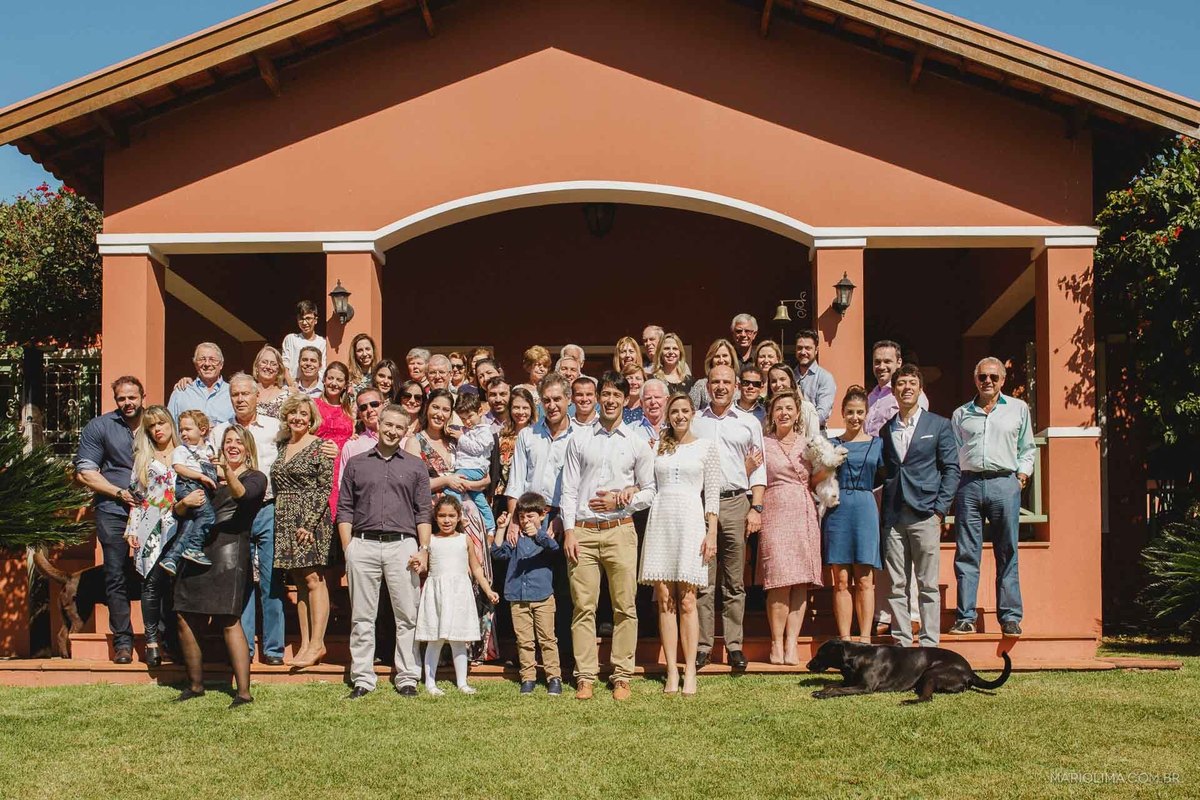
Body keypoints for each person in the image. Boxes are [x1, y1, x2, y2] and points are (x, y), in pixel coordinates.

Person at [561, 371, 656, 701]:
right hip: (584, 534)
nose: (611, 400)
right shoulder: (579, 439)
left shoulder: (637, 442)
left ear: (626, 400)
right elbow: (569, 489)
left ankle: (621, 675)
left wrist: (623, 498)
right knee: (583, 607)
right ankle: (585, 675)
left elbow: (650, 490)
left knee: (624, 606)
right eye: (607, 394)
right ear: (599, 397)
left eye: (618, 394)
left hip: (620, 531)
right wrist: (569, 531)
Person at [339, 404, 431, 698]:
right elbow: (344, 510)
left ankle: (407, 676)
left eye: (399, 427)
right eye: (388, 425)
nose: (392, 431)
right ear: (377, 424)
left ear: (406, 432)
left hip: (402, 546)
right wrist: (348, 549)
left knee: (407, 616)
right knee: (362, 617)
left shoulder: (415, 466)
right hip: (362, 545)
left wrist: (424, 549)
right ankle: (363, 678)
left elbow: (424, 512)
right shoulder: (356, 463)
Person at [172, 423, 267, 708]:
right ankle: (195, 685)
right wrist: (183, 503)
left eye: (239, 441)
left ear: (248, 448)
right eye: (228, 441)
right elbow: (180, 512)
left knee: (229, 619)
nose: (233, 445)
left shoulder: (256, 477)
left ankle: (244, 692)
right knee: (184, 614)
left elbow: (242, 496)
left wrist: (226, 471)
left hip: (230, 551)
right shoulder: (206, 477)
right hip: (197, 550)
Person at [405, 389, 497, 662]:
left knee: (472, 578)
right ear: (427, 408)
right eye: (435, 407)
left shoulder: (457, 439)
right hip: (435, 520)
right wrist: (446, 481)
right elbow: (413, 484)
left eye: (446, 409)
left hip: (469, 518)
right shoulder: (415, 442)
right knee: (440, 583)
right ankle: (438, 649)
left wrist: (472, 484)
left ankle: (473, 648)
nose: (440, 414)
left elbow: (485, 477)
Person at [639, 393, 720, 695]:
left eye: (685, 411)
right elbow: (647, 485)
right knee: (665, 598)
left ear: (692, 414)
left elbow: (711, 493)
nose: (680, 416)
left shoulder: (706, 447)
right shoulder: (657, 446)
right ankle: (671, 669)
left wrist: (711, 533)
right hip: (661, 521)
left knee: (687, 599)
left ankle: (690, 670)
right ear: (668, 415)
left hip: (691, 522)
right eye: (675, 411)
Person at [949, 357, 1036, 638]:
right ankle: (965, 617)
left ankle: (1010, 617)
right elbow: (954, 452)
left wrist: (1020, 478)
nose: (988, 381)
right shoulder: (961, 414)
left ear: (1003, 380)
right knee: (966, 553)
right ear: (975, 379)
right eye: (983, 377)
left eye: (994, 377)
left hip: (1004, 483)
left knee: (1007, 551)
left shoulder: (1018, 409)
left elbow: (1028, 447)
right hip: (969, 485)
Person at [689, 365, 765, 670]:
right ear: (708, 386)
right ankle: (703, 646)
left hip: (735, 503)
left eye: (726, 382)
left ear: (735, 387)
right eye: (715, 382)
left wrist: (756, 508)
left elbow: (759, 468)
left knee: (734, 581)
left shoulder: (748, 423)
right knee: (704, 580)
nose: (721, 387)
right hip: (701, 505)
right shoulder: (695, 421)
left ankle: (734, 646)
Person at [880, 364, 960, 648]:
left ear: (920, 388)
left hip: (926, 513)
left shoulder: (938, 425)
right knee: (896, 584)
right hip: (894, 516)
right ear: (894, 390)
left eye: (912, 382)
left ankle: (929, 644)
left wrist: (940, 509)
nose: (906, 388)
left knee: (927, 584)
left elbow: (951, 470)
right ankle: (901, 642)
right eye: (901, 383)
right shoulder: (886, 429)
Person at [210, 374, 286, 666]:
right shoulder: (220, 432)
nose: (240, 399)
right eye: (235, 395)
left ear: (257, 397)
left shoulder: (274, 428)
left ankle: (274, 650)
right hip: (234, 511)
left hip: (267, 508)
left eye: (245, 394)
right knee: (240, 581)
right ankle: (246, 650)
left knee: (270, 581)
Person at [74, 376, 145, 663]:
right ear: (116, 400)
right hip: (113, 509)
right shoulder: (100, 426)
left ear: (143, 396)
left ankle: (158, 638)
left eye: (132, 397)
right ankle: (123, 644)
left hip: (152, 509)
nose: (127, 403)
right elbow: (86, 471)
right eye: (121, 399)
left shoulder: (156, 423)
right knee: (114, 575)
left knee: (155, 574)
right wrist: (119, 493)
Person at [756, 391, 824, 664]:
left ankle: (792, 643)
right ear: (771, 414)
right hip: (774, 509)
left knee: (799, 583)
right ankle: (776, 642)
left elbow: (818, 480)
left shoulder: (809, 444)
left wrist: (827, 466)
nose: (783, 412)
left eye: (789, 408)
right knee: (779, 581)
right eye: (778, 408)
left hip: (803, 509)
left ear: (797, 413)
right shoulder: (762, 443)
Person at [273, 393, 335, 668]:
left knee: (313, 579)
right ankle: (305, 644)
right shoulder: (282, 445)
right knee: (299, 582)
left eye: (304, 415)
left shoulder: (321, 446)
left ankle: (318, 643)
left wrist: (309, 524)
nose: (298, 418)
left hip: (310, 518)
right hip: (285, 515)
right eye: (293, 414)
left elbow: (325, 487)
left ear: (311, 420)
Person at [416, 496, 500, 695]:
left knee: (459, 639)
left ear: (459, 517)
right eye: (442, 516)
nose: (447, 520)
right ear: (435, 518)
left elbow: (476, 568)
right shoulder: (431, 541)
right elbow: (423, 566)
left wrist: (488, 590)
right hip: (437, 592)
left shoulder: (465, 540)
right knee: (435, 639)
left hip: (460, 593)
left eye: (451, 516)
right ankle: (430, 682)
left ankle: (462, 682)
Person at [822, 387, 884, 642]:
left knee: (865, 578)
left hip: (865, 508)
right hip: (838, 508)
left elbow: (885, 476)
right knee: (842, 579)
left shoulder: (878, 444)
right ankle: (845, 639)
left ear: (866, 414)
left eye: (860, 412)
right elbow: (820, 477)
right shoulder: (831, 444)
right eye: (850, 412)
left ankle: (866, 639)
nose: (855, 417)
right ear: (842, 413)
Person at [120, 404, 179, 666]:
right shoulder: (144, 458)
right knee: (151, 583)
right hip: (150, 524)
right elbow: (137, 497)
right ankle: (152, 641)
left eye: (162, 424)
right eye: (152, 426)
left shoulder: (184, 453)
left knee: (176, 586)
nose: (157, 430)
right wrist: (132, 529)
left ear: (171, 425)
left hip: (179, 524)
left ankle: (175, 642)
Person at [491, 492, 563, 695]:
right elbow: (497, 553)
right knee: (524, 640)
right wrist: (502, 529)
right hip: (517, 597)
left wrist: (537, 534)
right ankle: (528, 678)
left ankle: (554, 678)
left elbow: (554, 548)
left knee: (547, 638)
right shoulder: (515, 538)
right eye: (522, 517)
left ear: (542, 515)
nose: (525, 521)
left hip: (543, 596)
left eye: (530, 516)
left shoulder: (544, 537)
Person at [160, 410, 217, 573]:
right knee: (207, 516)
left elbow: (215, 469)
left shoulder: (209, 449)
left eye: (187, 429)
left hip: (201, 488)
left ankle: (172, 558)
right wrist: (201, 477)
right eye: (181, 430)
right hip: (188, 486)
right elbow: (179, 468)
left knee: (191, 522)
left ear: (203, 430)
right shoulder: (182, 450)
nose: (183, 433)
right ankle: (194, 547)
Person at [447, 392, 497, 533]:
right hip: (469, 468)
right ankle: (490, 526)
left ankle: (460, 514)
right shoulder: (470, 430)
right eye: (463, 419)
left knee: (451, 488)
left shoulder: (485, 431)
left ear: (480, 411)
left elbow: (476, 448)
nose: (467, 421)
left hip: (473, 469)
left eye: (470, 417)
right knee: (479, 499)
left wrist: (461, 437)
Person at [316, 361, 355, 518]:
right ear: (324, 380)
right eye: (330, 378)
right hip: (319, 465)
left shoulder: (350, 410)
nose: (334, 383)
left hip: (343, 468)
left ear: (345, 385)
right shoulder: (313, 405)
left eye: (339, 380)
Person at [865, 340, 928, 436]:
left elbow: (918, 430)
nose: (881, 367)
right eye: (877, 362)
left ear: (899, 363)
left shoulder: (909, 393)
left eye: (887, 361)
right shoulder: (871, 397)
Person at [167, 342, 235, 426]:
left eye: (212, 359)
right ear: (195, 364)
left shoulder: (232, 393)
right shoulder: (181, 392)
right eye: (202, 359)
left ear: (221, 364)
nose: (207, 364)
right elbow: (170, 427)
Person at [792, 330, 836, 428]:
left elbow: (822, 415)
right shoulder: (790, 376)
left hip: (817, 435)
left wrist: (801, 423)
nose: (803, 352)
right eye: (799, 348)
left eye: (808, 348)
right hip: (792, 435)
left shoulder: (825, 378)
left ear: (816, 350)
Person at [280, 299, 327, 387]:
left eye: (308, 318)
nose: (304, 323)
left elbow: (322, 368)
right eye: (301, 319)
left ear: (315, 320)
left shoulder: (322, 342)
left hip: (314, 388)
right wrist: (291, 384)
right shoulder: (291, 339)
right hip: (292, 386)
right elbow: (284, 364)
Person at [766, 364, 821, 436]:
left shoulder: (807, 408)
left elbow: (814, 440)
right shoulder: (767, 410)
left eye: (782, 379)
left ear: (791, 380)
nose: (778, 384)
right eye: (773, 381)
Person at [689, 338, 740, 408]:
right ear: (711, 360)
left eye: (725, 356)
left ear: (732, 359)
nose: (721, 360)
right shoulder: (701, 385)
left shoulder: (741, 384)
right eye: (717, 356)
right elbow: (690, 411)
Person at [251, 345, 290, 420]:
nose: (268, 367)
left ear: (279, 370)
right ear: (256, 366)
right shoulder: (247, 393)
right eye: (264, 362)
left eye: (273, 364)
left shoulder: (287, 397)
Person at [634, 378, 669, 447]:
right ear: (641, 403)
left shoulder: (676, 428)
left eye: (657, 397)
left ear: (667, 400)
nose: (653, 402)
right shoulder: (632, 430)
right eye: (648, 398)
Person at [347, 333, 378, 402]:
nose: (364, 354)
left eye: (367, 349)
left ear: (373, 350)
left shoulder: (380, 375)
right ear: (354, 354)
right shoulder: (349, 377)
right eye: (360, 350)